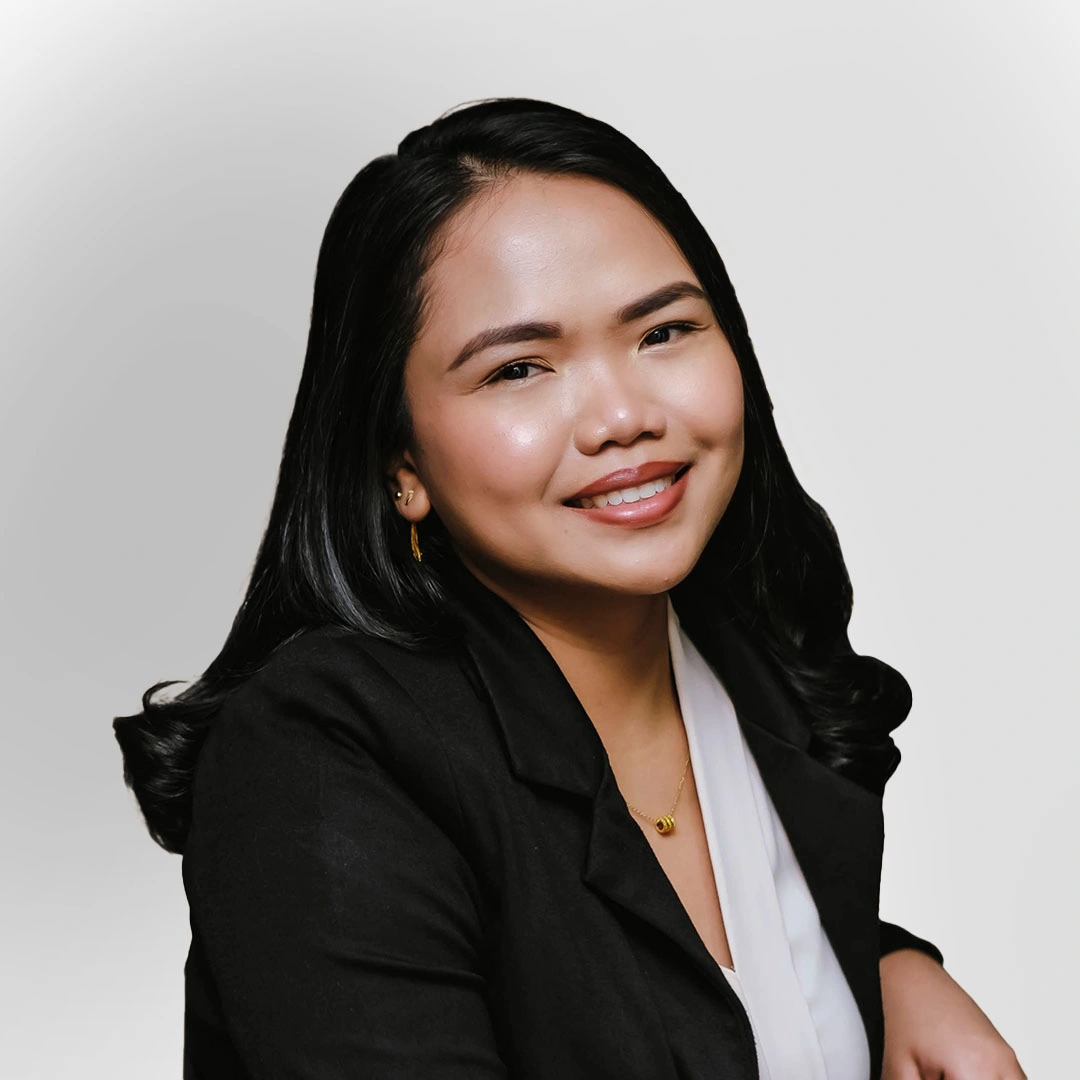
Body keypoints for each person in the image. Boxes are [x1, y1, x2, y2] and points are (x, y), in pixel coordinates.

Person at [113, 97, 1025, 1079]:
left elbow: (680, 976)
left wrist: (887, 968)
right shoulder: (320, 750)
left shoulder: (753, 661)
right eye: (519, 369)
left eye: (663, 332)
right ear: (401, 463)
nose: (623, 415)